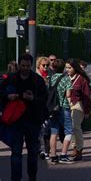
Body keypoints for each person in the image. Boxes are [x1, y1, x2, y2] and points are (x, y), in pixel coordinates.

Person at [0, 53, 48, 181]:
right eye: (23, 65)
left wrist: (33, 99)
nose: (25, 68)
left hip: (33, 120)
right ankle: (16, 178)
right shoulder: (10, 79)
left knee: (32, 153)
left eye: (28, 66)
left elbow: (44, 99)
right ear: (19, 65)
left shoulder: (37, 80)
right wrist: (8, 97)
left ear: (31, 65)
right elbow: (1, 93)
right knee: (16, 152)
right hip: (15, 121)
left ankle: (32, 177)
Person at [48, 59, 75, 164]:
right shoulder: (66, 79)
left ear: (53, 68)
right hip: (63, 107)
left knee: (54, 132)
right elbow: (68, 94)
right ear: (63, 68)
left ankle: (53, 155)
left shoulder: (51, 78)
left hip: (53, 108)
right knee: (68, 131)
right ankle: (63, 155)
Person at [66, 58, 91, 161]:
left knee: (75, 126)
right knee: (70, 128)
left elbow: (86, 96)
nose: (67, 70)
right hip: (67, 105)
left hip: (78, 105)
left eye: (69, 68)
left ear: (75, 67)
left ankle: (79, 149)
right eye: (66, 68)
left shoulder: (81, 79)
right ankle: (74, 147)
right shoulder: (66, 78)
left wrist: (87, 110)